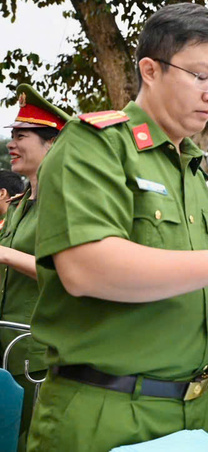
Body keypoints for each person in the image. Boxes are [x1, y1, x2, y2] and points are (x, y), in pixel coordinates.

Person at [27, 3, 208, 451]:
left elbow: (181, 276)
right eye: (201, 76)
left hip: (195, 409)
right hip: (106, 411)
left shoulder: (191, 167)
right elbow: (86, 268)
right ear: (150, 70)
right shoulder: (96, 145)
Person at [0, 84, 67, 451]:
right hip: (5, 348)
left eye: (22, 136)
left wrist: (5, 255)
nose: (12, 143)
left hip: (35, 355)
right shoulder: (21, 204)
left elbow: (68, 273)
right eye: (12, 134)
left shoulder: (64, 204)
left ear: (51, 145)